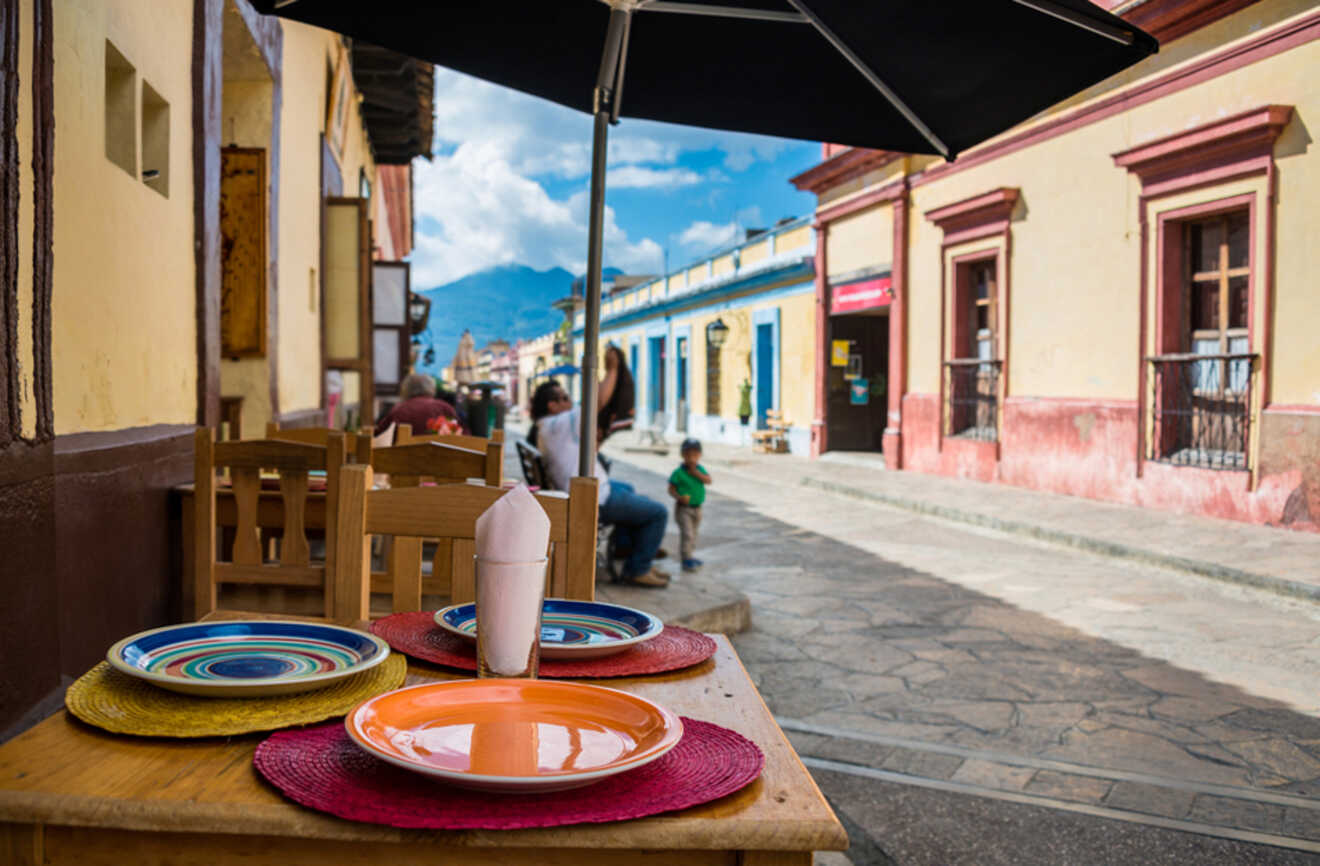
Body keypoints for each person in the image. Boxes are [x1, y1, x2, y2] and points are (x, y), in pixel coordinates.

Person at [529, 360, 670, 588]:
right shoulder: (560, 423)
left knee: (629, 489)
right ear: (552, 405)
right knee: (658, 514)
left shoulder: (548, 426)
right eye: (564, 398)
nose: (570, 402)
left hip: (581, 491)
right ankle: (638, 568)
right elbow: (597, 402)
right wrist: (613, 369)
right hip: (592, 499)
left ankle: (627, 547)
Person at [373, 373, 464, 437]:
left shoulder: (399, 409)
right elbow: (463, 433)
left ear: (405, 390)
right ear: (431, 389)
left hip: (403, 461)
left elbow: (379, 434)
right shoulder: (445, 407)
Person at [668, 439, 710, 572]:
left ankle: (690, 556)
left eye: (695, 456)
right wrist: (679, 497)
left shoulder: (700, 469)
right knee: (687, 534)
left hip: (698, 508)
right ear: (683, 455)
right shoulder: (678, 473)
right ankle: (685, 559)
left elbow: (708, 480)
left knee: (694, 533)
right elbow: (671, 489)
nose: (691, 459)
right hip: (683, 509)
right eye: (688, 455)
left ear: (699, 456)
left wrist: (696, 473)